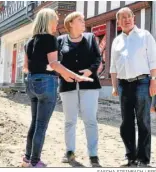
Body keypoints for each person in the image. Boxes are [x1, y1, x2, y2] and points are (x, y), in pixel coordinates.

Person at [22, 8, 93, 168]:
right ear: (47, 21)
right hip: (46, 84)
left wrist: (62, 74)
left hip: (31, 83)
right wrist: (76, 76)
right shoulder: (50, 39)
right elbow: (54, 64)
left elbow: (26, 67)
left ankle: (27, 158)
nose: (57, 23)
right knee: (41, 125)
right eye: (55, 20)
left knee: (35, 123)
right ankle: (35, 162)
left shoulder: (29, 41)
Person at [110, 7, 156, 167]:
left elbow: (153, 61)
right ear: (118, 22)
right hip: (123, 85)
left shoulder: (145, 36)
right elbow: (113, 67)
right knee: (126, 122)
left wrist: (154, 80)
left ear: (133, 18)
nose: (127, 19)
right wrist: (114, 87)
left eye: (129, 16)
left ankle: (143, 159)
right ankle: (130, 157)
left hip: (143, 82)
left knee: (143, 121)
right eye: (123, 17)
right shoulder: (117, 40)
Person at [57, 11, 102, 167]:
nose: (84, 22)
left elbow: (98, 58)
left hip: (89, 85)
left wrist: (90, 70)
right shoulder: (60, 40)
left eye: (84, 20)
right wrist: (63, 75)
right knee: (70, 121)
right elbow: (54, 63)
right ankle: (69, 151)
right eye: (80, 20)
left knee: (90, 120)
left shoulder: (90, 38)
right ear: (70, 23)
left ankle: (93, 155)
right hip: (67, 86)